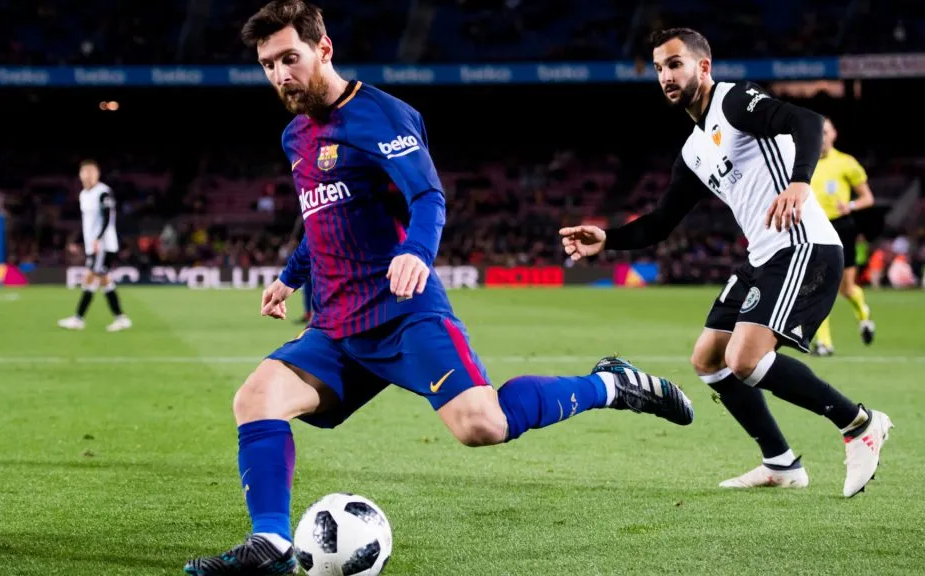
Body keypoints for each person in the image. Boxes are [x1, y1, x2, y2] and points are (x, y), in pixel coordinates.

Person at [183, 2, 694, 575]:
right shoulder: (294, 135)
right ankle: (272, 544)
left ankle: (610, 384)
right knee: (255, 398)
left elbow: (428, 197)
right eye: (268, 64)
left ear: (323, 49)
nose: (280, 75)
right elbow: (323, 217)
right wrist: (288, 276)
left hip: (405, 315)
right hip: (337, 326)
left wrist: (416, 253)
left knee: (483, 425)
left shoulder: (384, 116)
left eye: (289, 58)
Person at [560, 28, 892, 497]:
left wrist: (800, 183)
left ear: (704, 67)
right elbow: (659, 222)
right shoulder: (694, 151)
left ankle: (860, 424)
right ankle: (781, 463)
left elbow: (809, 122)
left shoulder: (734, 102)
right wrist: (606, 238)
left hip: (803, 247)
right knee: (709, 358)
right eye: (658, 68)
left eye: (675, 64)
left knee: (745, 359)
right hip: (762, 258)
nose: (666, 76)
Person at [808, 117, 876, 356]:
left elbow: (868, 198)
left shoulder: (846, 163)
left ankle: (864, 317)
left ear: (834, 134)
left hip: (841, 227)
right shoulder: (804, 161)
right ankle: (824, 343)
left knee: (846, 289)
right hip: (815, 228)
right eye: (819, 132)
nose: (822, 136)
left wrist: (851, 205)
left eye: (826, 131)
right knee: (818, 286)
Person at [58, 159, 132, 332]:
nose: (88, 175)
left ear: (97, 174)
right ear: (80, 175)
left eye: (92, 171)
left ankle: (78, 318)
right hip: (93, 245)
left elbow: (107, 218)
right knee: (104, 280)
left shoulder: (103, 193)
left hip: (104, 245)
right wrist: (77, 241)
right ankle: (120, 318)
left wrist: (98, 238)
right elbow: (86, 222)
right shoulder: (83, 195)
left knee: (90, 278)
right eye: (85, 171)